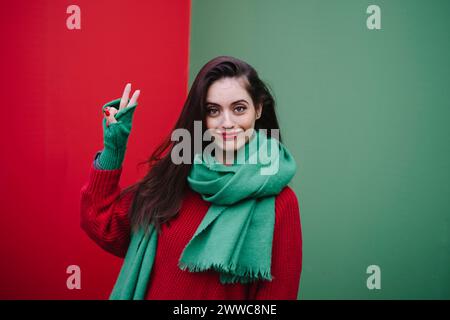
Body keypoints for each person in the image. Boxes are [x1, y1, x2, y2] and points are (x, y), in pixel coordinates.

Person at [80, 56, 302, 300]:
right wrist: (114, 148)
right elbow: (103, 224)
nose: (226, 123)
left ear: (258, 109)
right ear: (201, 117)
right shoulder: (176, 179)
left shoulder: (281, 202)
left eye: (239, 108)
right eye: (213, 110)